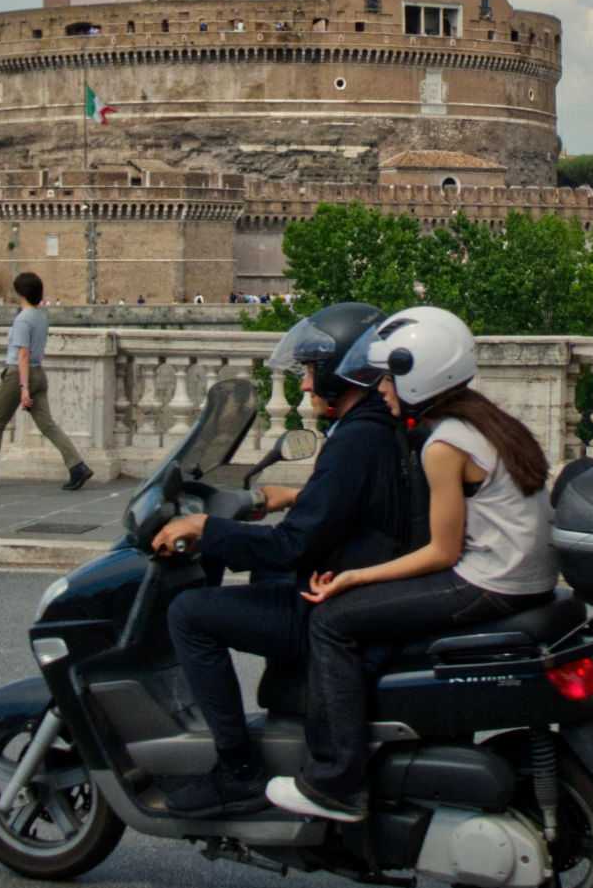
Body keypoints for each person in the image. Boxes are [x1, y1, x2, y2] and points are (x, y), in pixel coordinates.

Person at [267, 306, 558, 823]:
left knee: (333, 621)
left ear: (418, 376)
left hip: (489, 582)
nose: (379, 390)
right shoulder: (488, 421)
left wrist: (356, 577)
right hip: (526, 578)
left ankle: (336, 781)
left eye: (386, 377)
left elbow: (442, 554)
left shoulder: (444, 445)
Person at [147, 302, 416, 817]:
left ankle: (236, 769)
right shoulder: (375, 426)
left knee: (189, 615)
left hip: (333, 598)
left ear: (341, 371)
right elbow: (349, 505)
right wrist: (292, 496)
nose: (307, 387)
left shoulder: (356, 440)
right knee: (264, 573)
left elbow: (292, 546)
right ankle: (291, 707)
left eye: (313, 373)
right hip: (355, 580)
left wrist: (207, 529)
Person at [0, 272, 92, 492]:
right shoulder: (41, 317)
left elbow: (22, 354)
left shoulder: (22, 319)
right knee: (48, 425)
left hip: (19, 375)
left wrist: (23, 388)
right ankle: (77, 466)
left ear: (20, 292)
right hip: (39, 373)